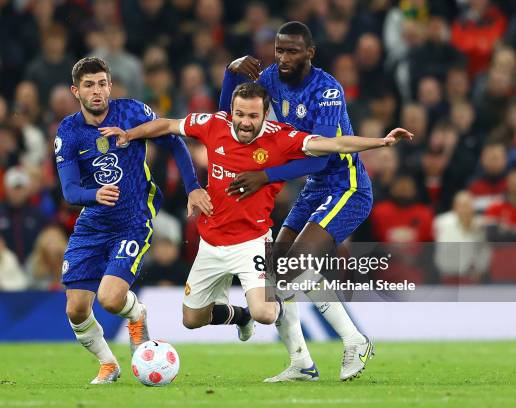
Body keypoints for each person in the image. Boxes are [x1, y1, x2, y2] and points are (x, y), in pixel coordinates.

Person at [101, 82, 412, 382]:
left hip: (251, 242)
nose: (245, 122)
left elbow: (333, 144)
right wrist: (129, 134)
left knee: (266, 309)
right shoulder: (213, 123)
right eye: (240, 114)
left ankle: (311, 350)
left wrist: (379, 142)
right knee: (191, 320)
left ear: (265, 114)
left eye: (253, 116)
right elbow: (167, 125)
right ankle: (242, 317)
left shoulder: (283, 138)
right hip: (211, 243)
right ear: (232, 111)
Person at [219, 21, 377, 381]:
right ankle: (301, 363)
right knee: (275, 271)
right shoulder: (271, 79)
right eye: (278, 50)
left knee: (292, 267)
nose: (283, 58)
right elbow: (231, 118)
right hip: (315, 189)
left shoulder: (327, 90)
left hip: (346, 186)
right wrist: (231, 74)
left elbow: (321, 157)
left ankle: (356, 340)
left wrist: (265, 175)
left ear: (310, 52)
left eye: (292, 51)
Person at [56, 57, 207, 385]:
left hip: (133, 217)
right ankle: (108, 364)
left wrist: (193, 187)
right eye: (88, 85)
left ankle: (137, 314)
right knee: (76, 309)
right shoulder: (68, 131)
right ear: (75, 91)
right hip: (93, 222)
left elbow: (174, 141)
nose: (96, 91)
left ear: (110, 85)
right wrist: (93, 195)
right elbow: (69, 189)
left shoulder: (133, 112)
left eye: (101, 83)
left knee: (110, 298)